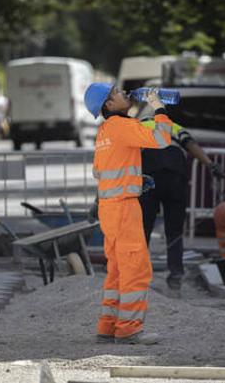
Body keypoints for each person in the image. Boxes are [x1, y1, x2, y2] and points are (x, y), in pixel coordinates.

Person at [84, 83, 173, 345]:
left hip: (109, 208)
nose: (124, 93)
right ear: (109, 105)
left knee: (117, 271)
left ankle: (108, 326)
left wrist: (133, 178)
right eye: (117, 93)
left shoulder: (104, 132)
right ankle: (129, 329)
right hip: (124, 207)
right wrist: (159, 108)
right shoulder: (123, 127)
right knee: (135, 269)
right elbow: (162, 138)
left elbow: (100, 172)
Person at [138, 117, 225, 292]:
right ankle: (175, 276)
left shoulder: (137, 125)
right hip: (176, 175)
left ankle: (140, 277)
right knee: (174, 230)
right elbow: (190, 144)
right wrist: (210, 164)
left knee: (143, 229)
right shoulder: (172, 126)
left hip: (149, 174)